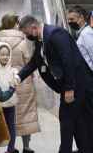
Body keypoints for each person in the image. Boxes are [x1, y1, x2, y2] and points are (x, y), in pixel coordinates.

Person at [15, 15, 91, 153]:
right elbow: (35, 62)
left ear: (33, 27)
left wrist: (69, 88)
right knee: (78, 120)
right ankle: (86, 149)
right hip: (68, 85)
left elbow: (68, 61)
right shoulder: (40, 39)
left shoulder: (56, 34)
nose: (26, 36)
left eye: (26, 33)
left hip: (77, 84)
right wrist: (18, 77)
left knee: (66, 119)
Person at [0, 14, 39, 153]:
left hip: (4, 82)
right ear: (15, 24)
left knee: (5, 117)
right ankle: (26, 146)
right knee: (26, 115)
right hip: (23, 82)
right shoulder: (22, 41)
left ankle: (2, 147)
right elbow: (29, 62)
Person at [0, 42, 19, 153]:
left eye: (7, 54)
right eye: (2, 54)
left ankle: (10, 150)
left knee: (11, 127)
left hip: (10, 104)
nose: (5, 57)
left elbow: (17, 75)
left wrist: (16, 78)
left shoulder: (12, 70)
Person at [76, 11, 93, 153]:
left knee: (88, 116)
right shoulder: (86, 33)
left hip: (89, 81)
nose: (70, 22)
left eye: (72, 19)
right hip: (86, 81)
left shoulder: (87, 33)